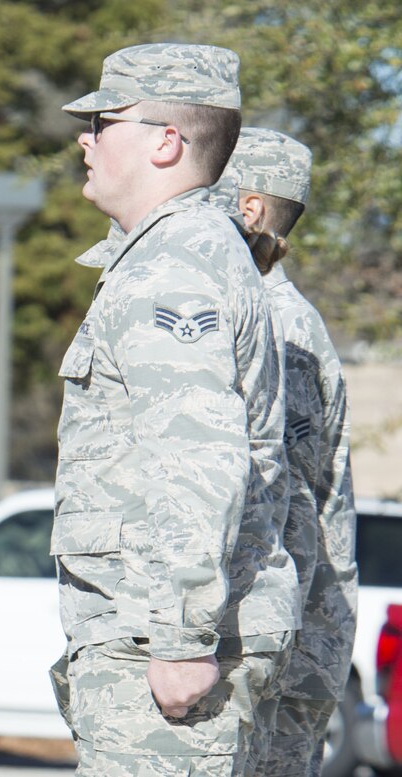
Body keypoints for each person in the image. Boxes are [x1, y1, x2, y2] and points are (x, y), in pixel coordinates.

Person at [48, 43, 299, 775]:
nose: (84, 139)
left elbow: (198, 453)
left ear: (167, 141)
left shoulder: (175, 263)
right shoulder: (183, 248)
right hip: (151, 633)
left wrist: (183, 638)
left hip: (163, 646)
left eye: (104, 120)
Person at [224, 128, 358, 776]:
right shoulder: (250, 311)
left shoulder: (280, 326)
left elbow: (291, 516)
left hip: (271, 664)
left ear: (248, 209)